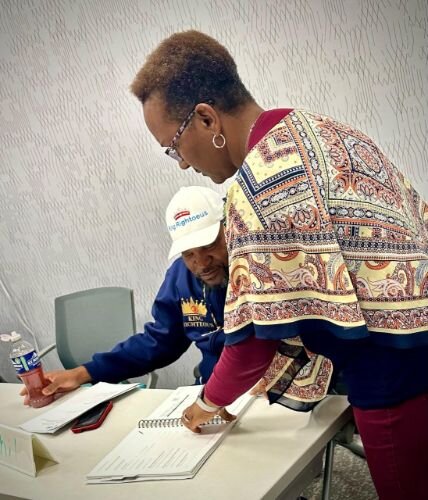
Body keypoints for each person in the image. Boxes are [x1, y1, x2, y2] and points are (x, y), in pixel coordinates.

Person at [131, 30, 428, 499]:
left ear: (206, 118)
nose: (183, 165)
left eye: (174, 146)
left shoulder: (259, 188)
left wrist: (209, 401)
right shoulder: (326, 131)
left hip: (393, 374)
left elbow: (251, 340)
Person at [21, 185, 331, 411]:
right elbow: (160, 341)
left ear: (228, 230)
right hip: (216, 394)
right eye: (189, 253)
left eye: (209, 246)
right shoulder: (180, 278)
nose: (201, 263)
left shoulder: (262, 266)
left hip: (277, 390)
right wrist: (83, 373)